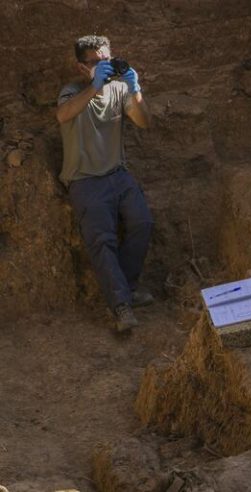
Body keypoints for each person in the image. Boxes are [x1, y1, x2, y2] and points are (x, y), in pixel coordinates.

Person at [56, 35, 154, 333]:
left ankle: (125, 288)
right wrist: (95, 85)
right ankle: (122, 305)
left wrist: (134, 90)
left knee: (142, 222)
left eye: (106, 61)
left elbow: (143, 121)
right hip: (85, 180)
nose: (102, 67)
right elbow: (63, 115)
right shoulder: (72, 91)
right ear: (81, 66)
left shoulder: (119, 89)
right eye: (94, 63)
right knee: (102, 241)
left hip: (117, 174)